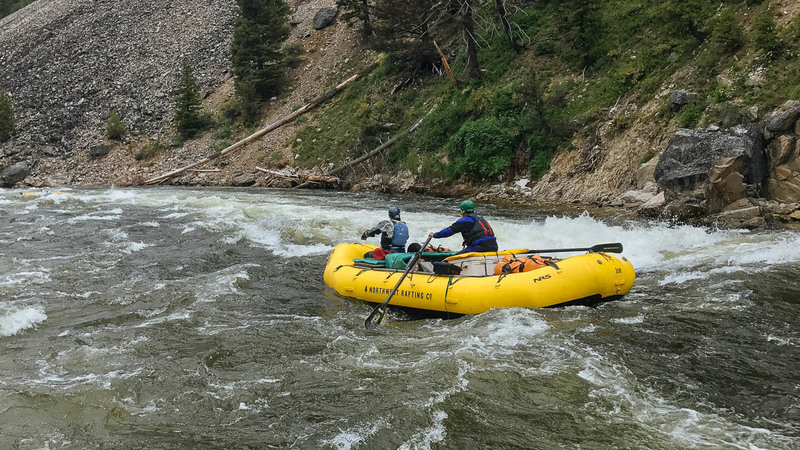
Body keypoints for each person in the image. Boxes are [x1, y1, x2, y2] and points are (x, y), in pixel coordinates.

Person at [428, 200, 498, 255]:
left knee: (454, 259)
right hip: (494, 246)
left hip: (480, 247)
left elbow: (449, 231)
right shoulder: (480, 218)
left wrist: (435, 235)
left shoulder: (466, 220)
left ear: (462, 211)